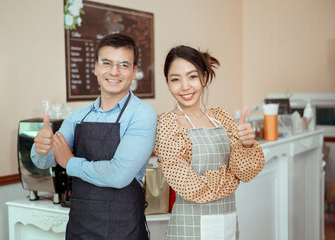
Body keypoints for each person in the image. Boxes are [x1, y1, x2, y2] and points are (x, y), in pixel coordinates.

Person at [31, 33, 157, 240]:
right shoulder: (78, 116)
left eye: (124, 65)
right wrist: (41, 149)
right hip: (80, 230)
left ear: (134, 72)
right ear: (96, 67)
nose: (114, 72)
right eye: (107, 63)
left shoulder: (143, 114)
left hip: (124, 231)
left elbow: (118, 175)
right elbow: (45, 162)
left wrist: (69, 162)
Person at [154, 45, 265, 240]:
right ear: (168, 83)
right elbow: (189, 187)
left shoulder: (221, 117)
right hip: (188, 229)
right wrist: (231, 179)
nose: (185, 86)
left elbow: (245, 173)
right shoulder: (167, 125)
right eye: (175, 80)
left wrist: (246, 145)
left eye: (192, 76)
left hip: (228, 225)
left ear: (204, 77)